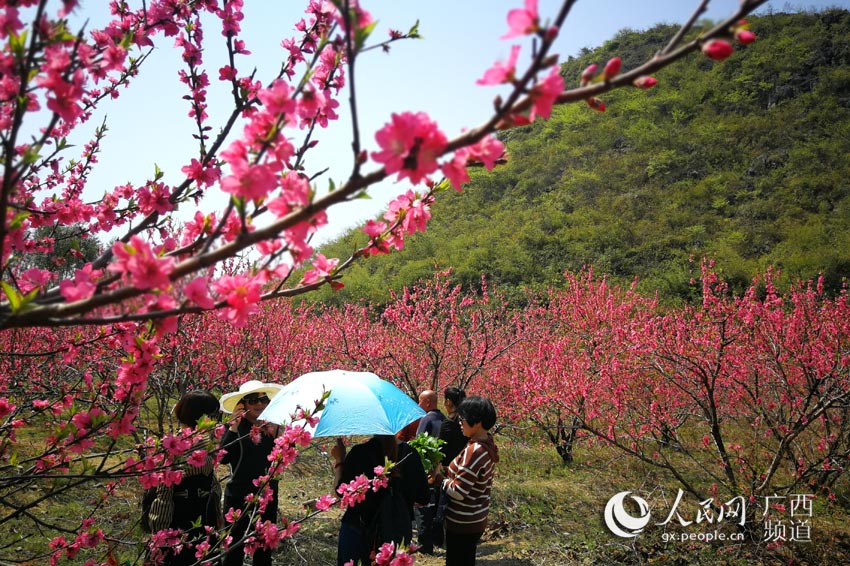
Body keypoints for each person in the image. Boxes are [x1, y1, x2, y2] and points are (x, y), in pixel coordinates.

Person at [147, 390, 222, 566]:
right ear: (202, 417)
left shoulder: (204, 442)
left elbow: (212, 482)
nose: (217, 420)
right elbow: (164, 495)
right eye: (214, 415)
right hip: (183, 517)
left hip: (203, 513)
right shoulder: (181, 447)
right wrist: (160, 532)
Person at [331, 434, 429, 566]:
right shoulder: (410, 455)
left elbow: (340, 494)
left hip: (357, 530)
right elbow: (424, 498)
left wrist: (340, 460)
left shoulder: (360, 452)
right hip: (394, 536)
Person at [219, 380, 283, 566]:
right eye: (253, 400)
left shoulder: (273, 427)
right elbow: (223, 457)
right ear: (243, 404)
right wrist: (233, 427)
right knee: (233, 550)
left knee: (264, 548)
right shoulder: (235, 428)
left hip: (267, 495)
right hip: (238, 495)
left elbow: (285, 455)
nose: (259, 404)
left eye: (264, 400)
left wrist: (282, 437)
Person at [440, 396, 499, 566]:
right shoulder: (486, 443)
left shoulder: (474, 451)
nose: (460, 422)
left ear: (477, 422)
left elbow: (458, 492)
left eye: (463, 419)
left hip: (462, 522)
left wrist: (440, 480)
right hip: (475, 519)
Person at [412, 389, 445, 554]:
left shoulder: (426, 419)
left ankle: (425, 546)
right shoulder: (443, 419)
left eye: (420, 401)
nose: (418, 405)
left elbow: (419, 444)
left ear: (427, 403)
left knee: (423, 507)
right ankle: (438, 539)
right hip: (441, 470)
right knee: (437, 505)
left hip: (426, 469)